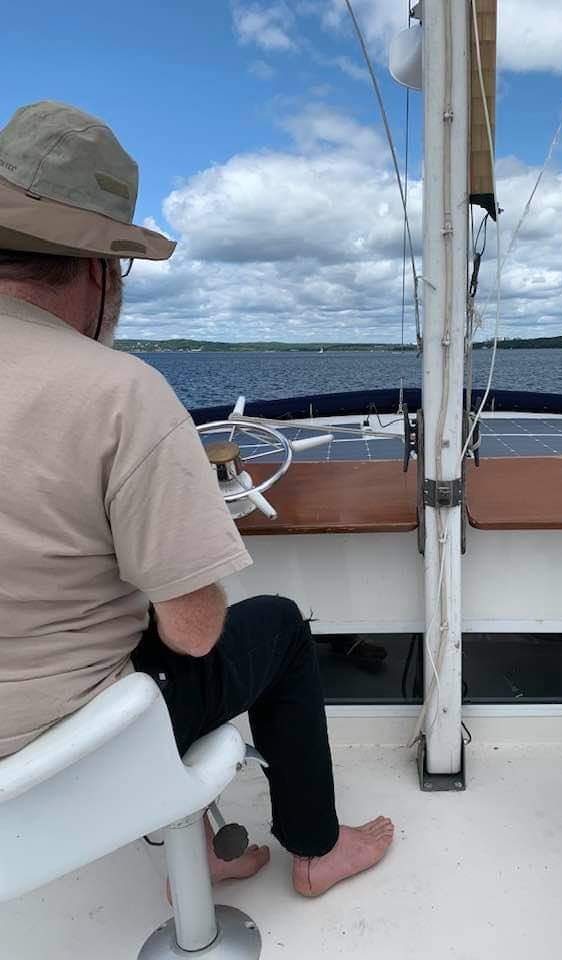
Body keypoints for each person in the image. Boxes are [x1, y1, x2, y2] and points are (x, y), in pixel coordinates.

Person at [0, 100, 393, 898]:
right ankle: (316, 847)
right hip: (61, 752)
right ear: (102, 270)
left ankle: (204, 845)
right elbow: (194, 631)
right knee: (272, 627)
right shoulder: (121, 392)